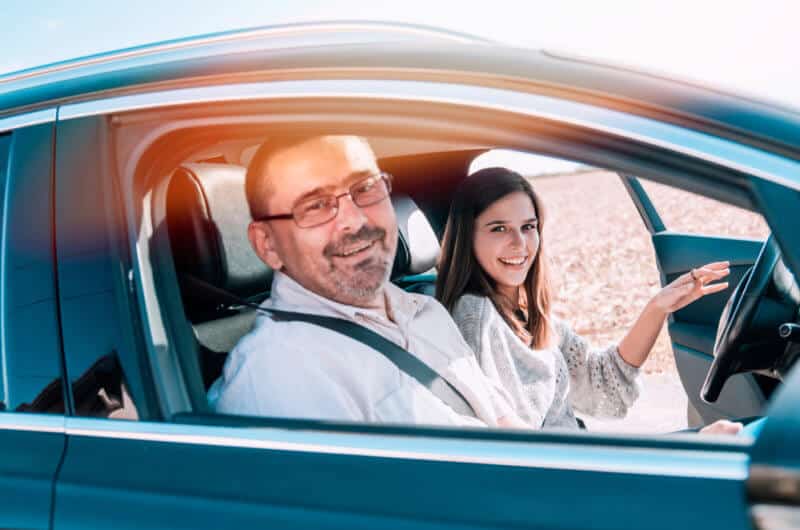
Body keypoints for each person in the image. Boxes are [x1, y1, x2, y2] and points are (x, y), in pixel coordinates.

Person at [208, 135, 527, 428]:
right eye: (315, 205)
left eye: (365, 189)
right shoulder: (281, 375)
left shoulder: (424, 309)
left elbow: (501, 420)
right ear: (268, 244)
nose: (356, 220)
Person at [436, 166, 742, 434]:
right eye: (499, 228)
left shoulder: (526, 313)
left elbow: (602, 386)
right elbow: (519, 449)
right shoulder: (476, 317)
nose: (520, 244)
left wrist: (658, 307)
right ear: (468, 236)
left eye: (528, 227)